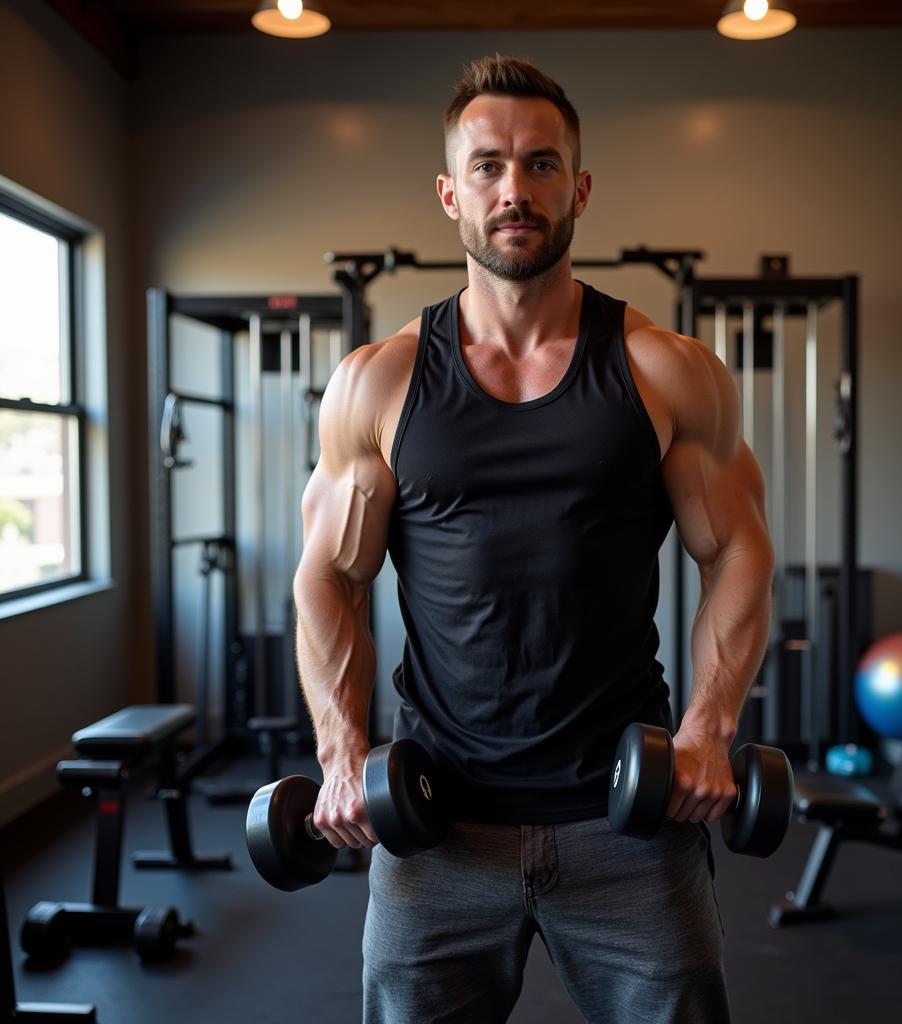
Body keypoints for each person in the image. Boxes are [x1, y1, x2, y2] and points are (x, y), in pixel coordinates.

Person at [293, 54, 774, 1024]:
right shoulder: (377, 384)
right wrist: (341, 750)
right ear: (449, 191)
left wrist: (708, 729)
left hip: (628, 822)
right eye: (487, 165)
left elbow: (738, 552)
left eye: (542, 164)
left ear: (579, 187)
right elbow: (330, 577)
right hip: (437, 829)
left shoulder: (665, 370)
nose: (515, 188)